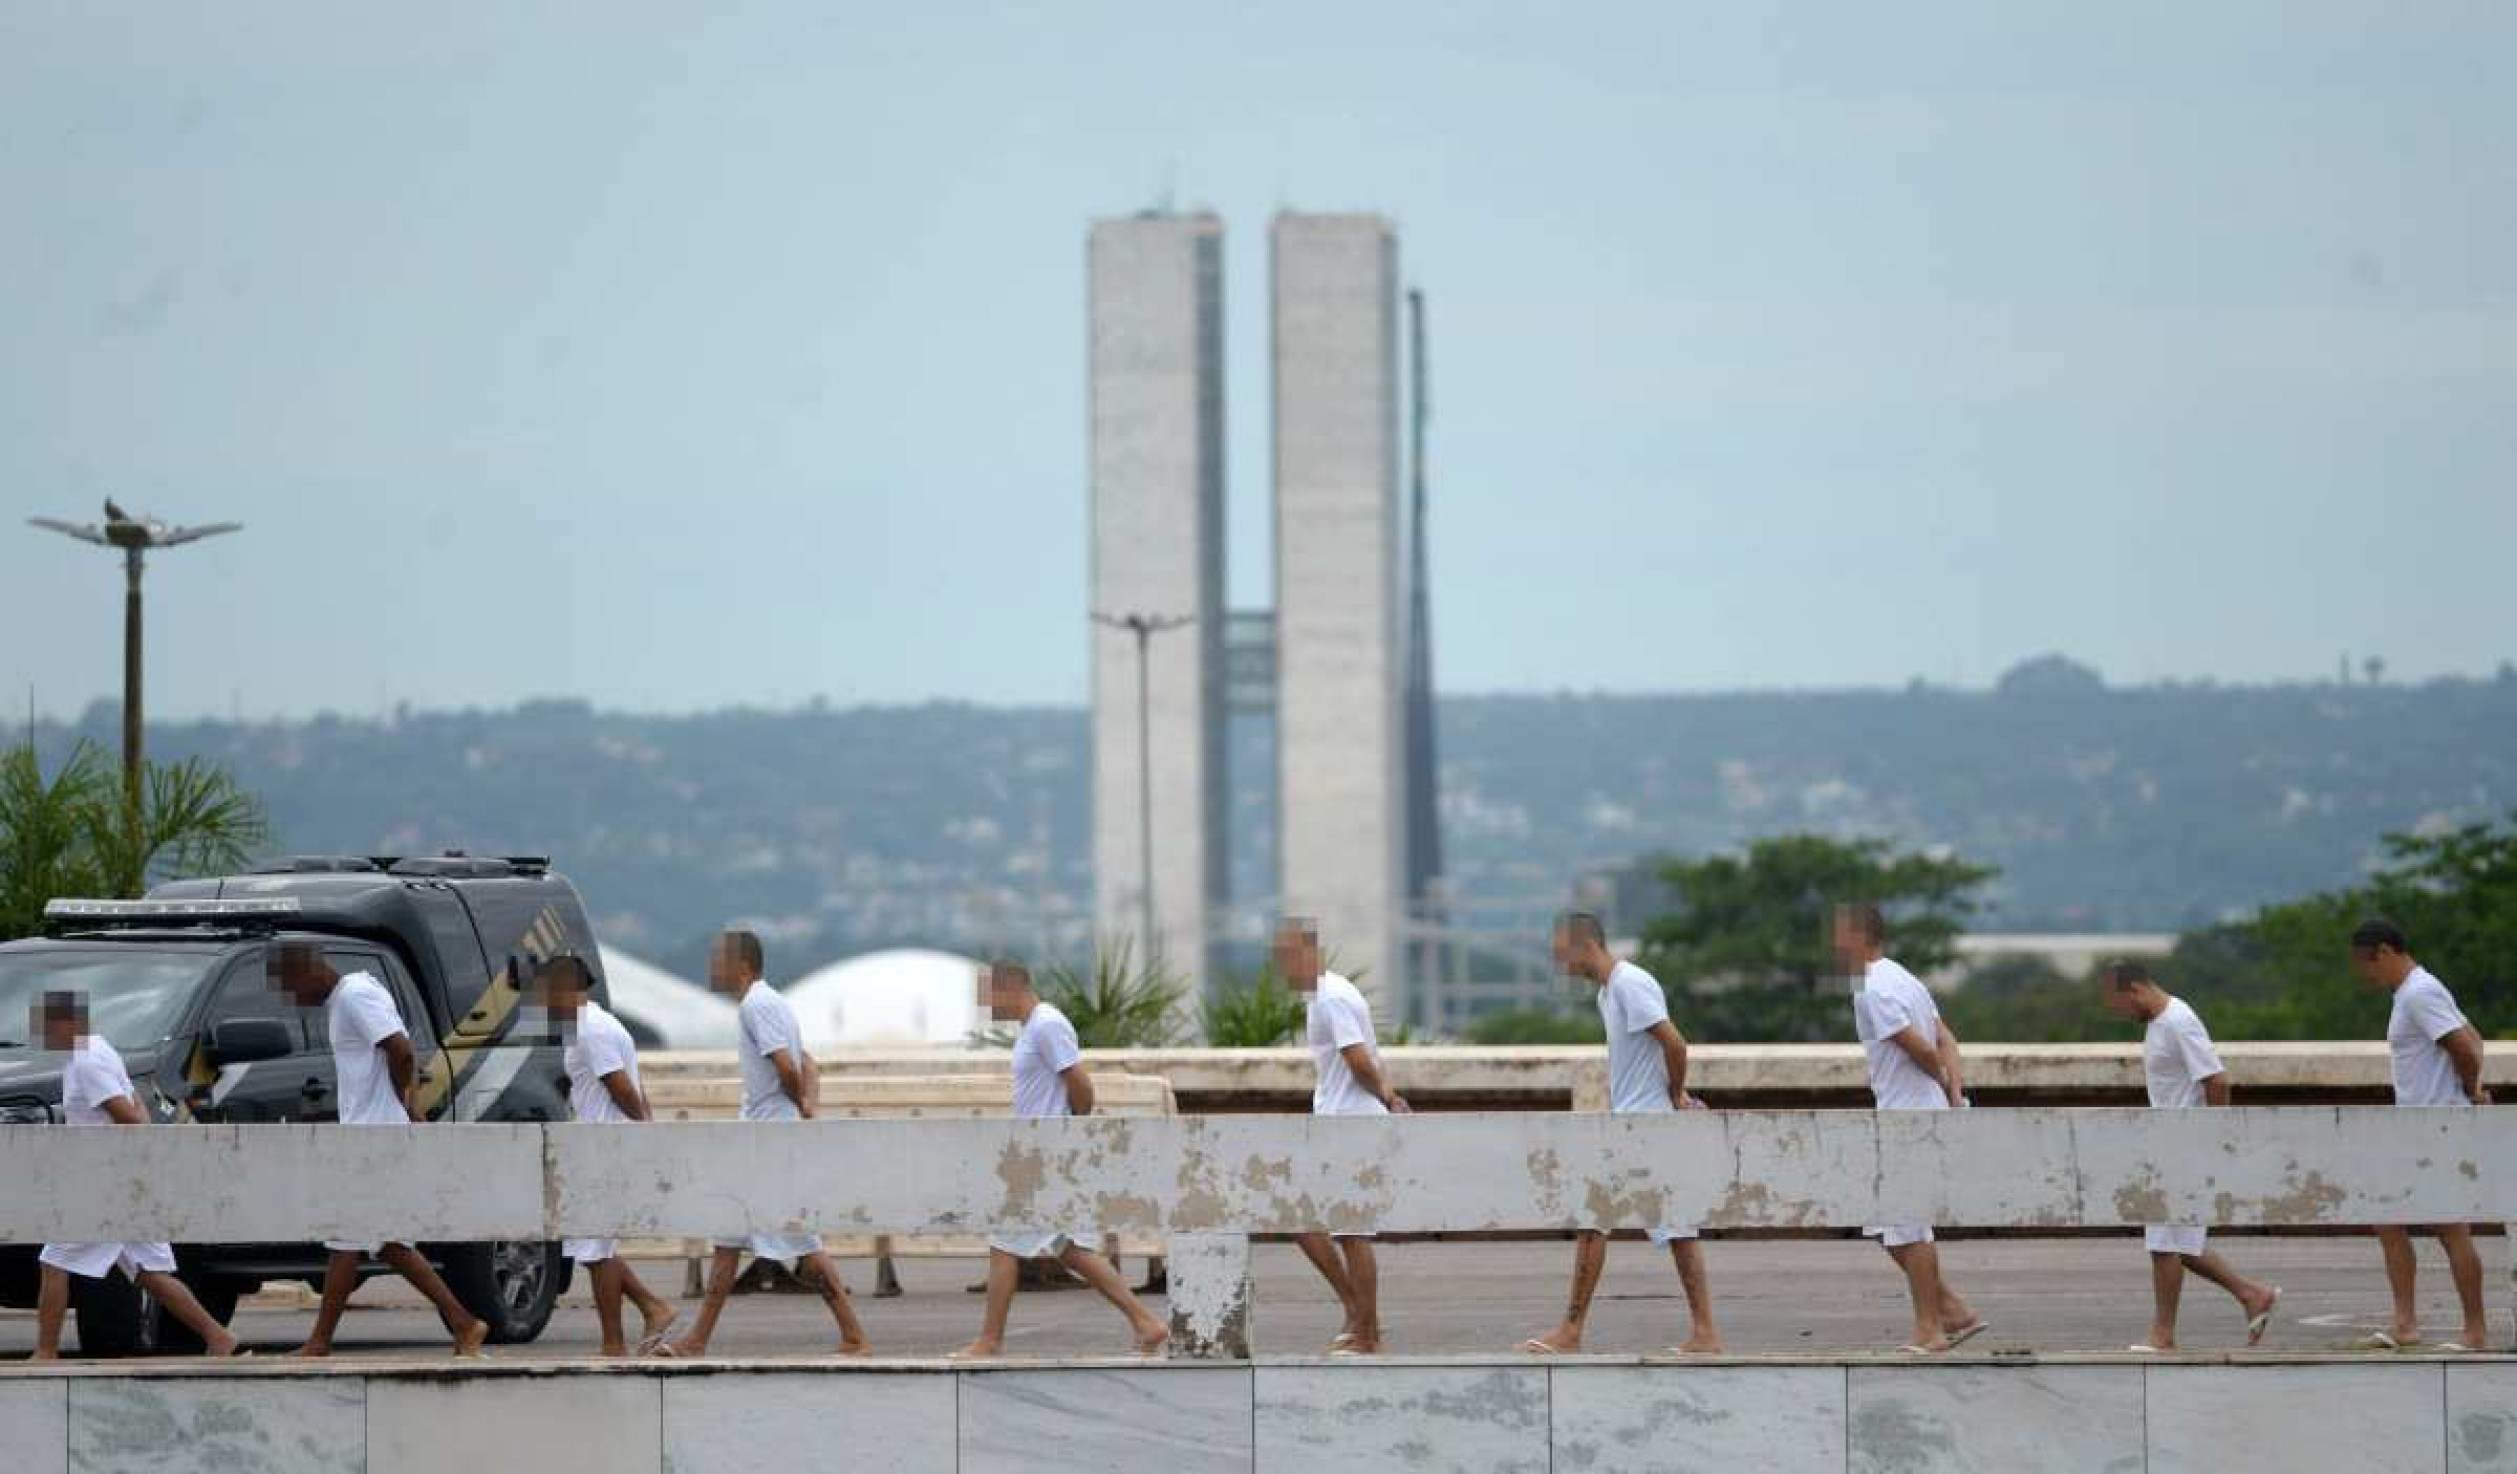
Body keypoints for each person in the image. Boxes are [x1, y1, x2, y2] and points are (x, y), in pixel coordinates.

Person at [271, 944, 490, 1358]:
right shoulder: (347, 997)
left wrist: (404, 1103)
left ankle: (320, 1342)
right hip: (368, 1136)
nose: (293, 1000)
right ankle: (464, 1323)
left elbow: (401, 1049)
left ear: (309, 972)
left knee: (345, 1240)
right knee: (389, 1241)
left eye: (291, 988)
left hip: (373, 1140)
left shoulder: (354, 995)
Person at [661, 929, 871, 1357]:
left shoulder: (759, 1004)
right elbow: (807, 1062)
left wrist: (802, 1105)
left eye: (718, 960)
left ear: (742, 965)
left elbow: (787, 1067)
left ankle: (855, 1335)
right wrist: (808, 1104)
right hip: (759, 1138)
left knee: (803, 1244)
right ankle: (697, 1339)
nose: (711, 967)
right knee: (728, 1239)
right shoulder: (768, 1004)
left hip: (770, 1143)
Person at [1520, 912, 1723, 1356]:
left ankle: (1575, 1332)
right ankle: (1702, 1332)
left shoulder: (1630, 984)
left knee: (1611, 1223)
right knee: (1661, 1227)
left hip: (1648, 1127)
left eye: (1561, 954)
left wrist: (1675, 1096)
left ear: (1583, 945)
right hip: (1631, 1125)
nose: (1560, 965)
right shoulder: (1608, 993)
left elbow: (1675, 1043)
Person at [953, 959, 1170, 1359]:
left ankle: (989, 1341)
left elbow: (1081, 1085)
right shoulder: (1033, 1028)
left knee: (1008, 1246)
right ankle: (1146, 1323)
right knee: (1068, 1249)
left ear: (1010, 987)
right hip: (1039, 1153)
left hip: (1046, 1156)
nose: (988, 1006)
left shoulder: (1046, 1025)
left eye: (990, 996)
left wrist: (1069, 1133)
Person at [28, 990, 244, 1361]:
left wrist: (136, 1119)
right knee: (146, 1272)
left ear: (67, 1022)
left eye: (45, 1026)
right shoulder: (101, 1050)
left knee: (55, 1260)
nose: (41, 1036)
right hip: (123, 1180)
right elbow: (135, 1106)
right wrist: (138, 1117)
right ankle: (219, 1337)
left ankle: (45, 1353)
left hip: (104, 1184)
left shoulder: (87, 1061)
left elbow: (128, 1117)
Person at [2098, 961, 2280, 1352]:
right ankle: (2252, 1294)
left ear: (2134, 990)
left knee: (2165, 1244)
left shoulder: (2179, 1021)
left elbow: (2216, 1079)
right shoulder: (2159, 1025)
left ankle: (2162, 1334)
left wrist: (2215, 1141)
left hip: (2185, 1147)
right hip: (2168, 1145)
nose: (2121, 1015)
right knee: (2180, 1243)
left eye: (2119, 1005)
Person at [1837, 902, 1988, 1354]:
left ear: (1860, 936)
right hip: (1918, 1110)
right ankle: (1953, 1309)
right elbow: (1947, 1038)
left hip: (1907, 1116)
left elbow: (1922, 1048)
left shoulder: (1871, 987)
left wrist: (1944, 1084)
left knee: (1907, 1224)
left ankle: (1931, 1328)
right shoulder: (1903, 977)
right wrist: (1954, 1092)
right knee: (1886, 1223)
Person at [2349, 918, 2492, 1352]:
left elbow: (2465, 1049)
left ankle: (2475, 1331)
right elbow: (2475, 1039)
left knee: (2451, 1227)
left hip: (2436, 1127)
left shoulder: (2419, 992)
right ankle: (2405, 1324)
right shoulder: (2419, 990)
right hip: (2414, 1127)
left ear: (2386, 953)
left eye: (2366, 965)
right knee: (2387, 1218)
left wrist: (2467, 1090)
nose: (2365, 975)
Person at [1277, 917, 1409, 1356]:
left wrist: (1387, 1096)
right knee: (1302, 1218)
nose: (1283, 968)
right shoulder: (1326, 994)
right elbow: (1366, 1055)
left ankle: (1367, 1332)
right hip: (1338, 1124)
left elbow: (1357, 1060)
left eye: (1288, 956)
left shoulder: (1331, 997)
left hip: (1351, 1126)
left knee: (1352, 1233)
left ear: (1310, 952)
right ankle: (1356, 1311)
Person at [539, 954, 682, 1357]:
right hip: (599, 1146)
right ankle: (652, 1308)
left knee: (596, 1250)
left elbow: (620, 1086)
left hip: (605, 1150)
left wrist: (642, 1132)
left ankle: (614, 1342)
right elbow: (631, 1085)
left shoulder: (591, 1031)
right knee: (593, 1247)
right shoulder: (594, 1026)